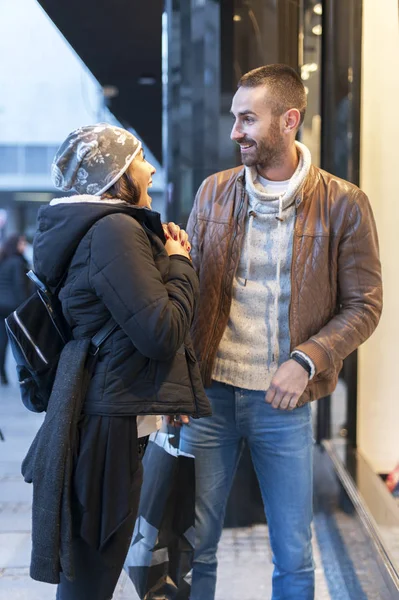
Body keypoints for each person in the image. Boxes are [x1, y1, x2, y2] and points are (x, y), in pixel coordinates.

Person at [180, 64, 382, 599]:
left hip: (284, 405)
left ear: (289, 120)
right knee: (191, 545)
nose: (235, 132)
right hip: (210, 398)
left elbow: (365, 304)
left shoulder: (344, 204)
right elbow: (190, 295)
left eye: (248, 119)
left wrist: (307, 358)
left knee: (293, 556)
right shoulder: (214, 192)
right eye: (234, 118)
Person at [30, 123, 210, 599]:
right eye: (140, 159)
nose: (150, 169)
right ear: (116, 176)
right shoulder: (114, 231)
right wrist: (179, 262)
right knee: (91, 574)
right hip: (108, 428)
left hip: (103, 414)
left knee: (90, 570)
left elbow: (127, 331)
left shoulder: (99, 229)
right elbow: (161, 332)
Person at [0, 233, 30, 385]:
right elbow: (19, 285)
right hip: (13, 306)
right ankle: (28, 374)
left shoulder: (3, 260)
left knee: (2, 340)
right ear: (15, 245)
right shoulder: (17, 262)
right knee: (20, 340)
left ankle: (2, 373)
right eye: (22, 243)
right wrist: (24, 306)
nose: (24, 246)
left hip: (1, 305)